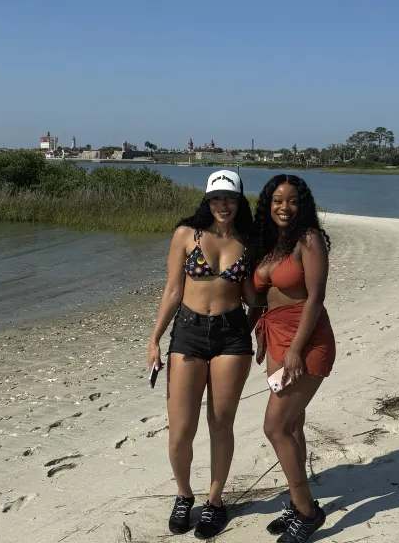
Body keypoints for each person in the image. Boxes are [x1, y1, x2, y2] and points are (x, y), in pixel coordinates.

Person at [148, 170, 254, 539]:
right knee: (180, 430)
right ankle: (183, 494)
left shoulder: (250, 240)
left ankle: (214, 501)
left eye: (230, 198)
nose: (223, 205)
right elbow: (174, 290)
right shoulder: (185, 235)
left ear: (240, 201)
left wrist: (268, 327)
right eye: (216, 198)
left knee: (221, 423)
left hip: (232, 336)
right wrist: (154, 339)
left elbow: (253, 297)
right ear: (206, 201)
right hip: (188, 334)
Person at [248, 174, 335, 543]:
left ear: (303, 205)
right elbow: (259, 299)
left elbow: (315, 298)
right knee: (294, 426)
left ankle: (307, 512)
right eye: (278, 200)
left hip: (306, 340)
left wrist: (296, 350)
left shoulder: (308, 240)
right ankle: (299, 500)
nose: (285, 207)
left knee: (275, 427)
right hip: (276, 338)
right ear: (268, 204)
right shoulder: (270, 244)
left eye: (293, 201)